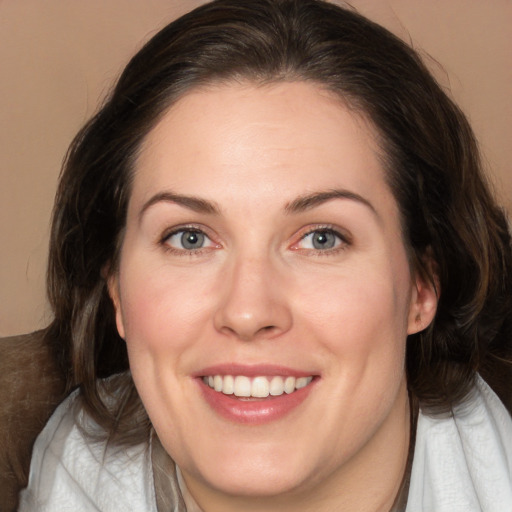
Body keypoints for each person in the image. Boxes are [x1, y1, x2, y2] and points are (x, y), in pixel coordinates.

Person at [18, 0, 512, 510]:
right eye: (189, 238)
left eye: (322, 238)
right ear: (117, 289)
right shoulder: (58, 467)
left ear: (422, 286)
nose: (249, 312)